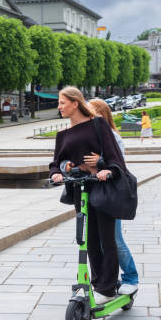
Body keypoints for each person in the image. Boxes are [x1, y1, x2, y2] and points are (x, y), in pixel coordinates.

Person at [49, 87, 126, 304]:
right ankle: (97, 283)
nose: (59, 106)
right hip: (80, 189)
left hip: (102, 187)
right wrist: (58, 172)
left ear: (75, 103)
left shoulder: (98, 125)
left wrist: (103, 166)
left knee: (106, 238)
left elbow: (115, 158)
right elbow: (56, 163)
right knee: (89, 240)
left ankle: (108, 287)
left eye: (62, 102)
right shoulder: (63, 135)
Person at [85, 98, 139, 295]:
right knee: (98, 241)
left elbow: (119, 165)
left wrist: (100, 162)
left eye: (90, 112)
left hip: (110, 193)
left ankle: (131, 277)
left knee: (115, 239)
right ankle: (107, 279)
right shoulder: (90, 135)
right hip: (94, 192)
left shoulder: (113, 136)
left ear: (101, 114)